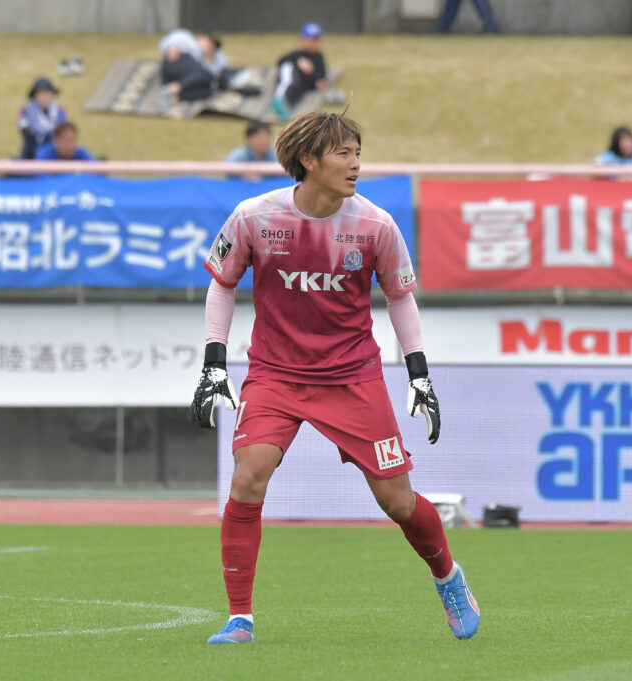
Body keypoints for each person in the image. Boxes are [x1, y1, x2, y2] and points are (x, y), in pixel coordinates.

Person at [191, 110, 480, 646]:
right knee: (248, 477)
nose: (355, 164)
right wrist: (214, 362)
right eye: (343, 154)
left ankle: (448, 577)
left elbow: (400, 297)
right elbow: (222, 284)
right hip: (275, 374)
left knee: (396, 501)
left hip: (352, 377)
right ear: (308, 160)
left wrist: (419, 374)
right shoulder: (254, 217)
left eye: (357, 153)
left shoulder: (375, 225)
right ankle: (240, 619)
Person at [270, 23, 328, 121]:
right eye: (312, 39)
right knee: (289, 72)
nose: (315, 42)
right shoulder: (298, 54)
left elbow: (321, 75)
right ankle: (279, 98)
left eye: (317, 39)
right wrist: (298, 62)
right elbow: (281, 61)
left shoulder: (319, 57)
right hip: (291, 75)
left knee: (296, 88)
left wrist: (317, 80)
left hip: (301, 84)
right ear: (303, 40)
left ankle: (285, 105)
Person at [17, 77, 67, 160]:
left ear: (53, 95)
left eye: (48, 93)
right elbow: (23, 128)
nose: (45, 97)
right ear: (35, 96)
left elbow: (61, 130)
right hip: (31, 153)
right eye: (42, 94)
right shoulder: (26, 111)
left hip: (53, 154)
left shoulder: (59, 112)